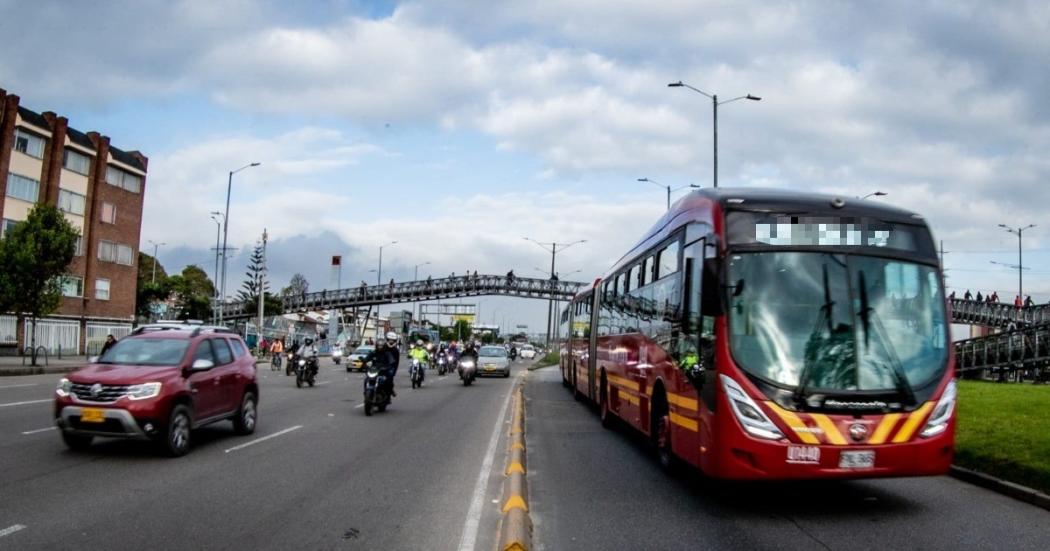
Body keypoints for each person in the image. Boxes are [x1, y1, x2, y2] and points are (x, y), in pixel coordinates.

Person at [364, 332, 401, 397]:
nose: (391, 341)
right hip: (376, 368)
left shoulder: (394, 351)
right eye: (389, 339)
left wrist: (393, 369)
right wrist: (365, 362)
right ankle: (366, 391)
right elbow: (369, 357)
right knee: (367, 379)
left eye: (392, 340)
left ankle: (390, 390)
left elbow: (395, 362)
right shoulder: (377, 350)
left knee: (389, 379)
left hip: (387, 368)